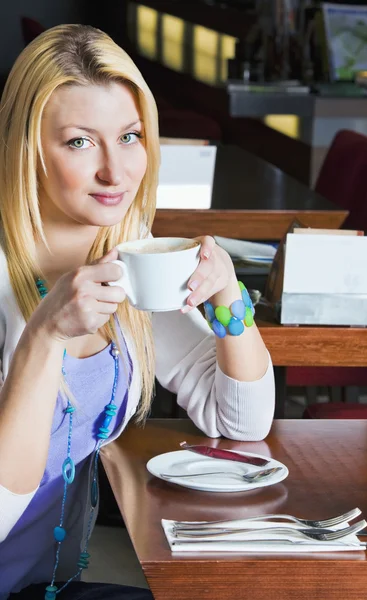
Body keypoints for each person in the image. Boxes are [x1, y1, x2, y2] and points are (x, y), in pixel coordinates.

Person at [0, 24, 275, 600]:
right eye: (79, 142)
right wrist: (43, 337)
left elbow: (240, 423)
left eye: (129, 137)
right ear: (26, 149)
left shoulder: (128, 259)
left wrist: (229, 300)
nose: (116, 172)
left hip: (43, 587)